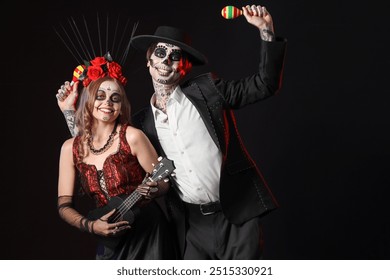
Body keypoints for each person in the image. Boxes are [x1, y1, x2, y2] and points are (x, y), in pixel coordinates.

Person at [58, 4, 287, 259]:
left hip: (239, 214)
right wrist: (70, 111)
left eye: (175, 56)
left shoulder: (208, 91)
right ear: (149, 61)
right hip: (192, 226)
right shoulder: (141, 124)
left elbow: (264, 85)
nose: (166, 60)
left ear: (184, 67)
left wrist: (266, 31)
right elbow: (96, 146)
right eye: (160, 52)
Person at [56, 54, 178, 259]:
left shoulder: (132, 137)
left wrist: (154, 189)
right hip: (110, 236)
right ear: (88, 100)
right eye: (100, 96)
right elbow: (64, 206)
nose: (108, 103)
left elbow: (164, 183)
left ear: (121, 105)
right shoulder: (71, 148)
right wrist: (92, 226)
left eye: (115, 98)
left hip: (148, 233)